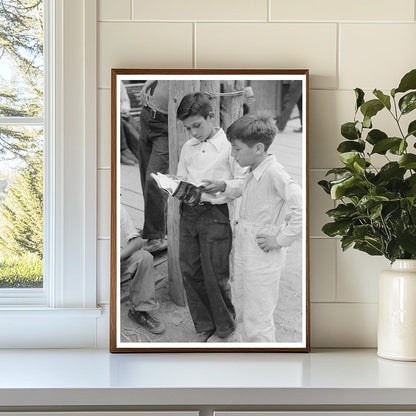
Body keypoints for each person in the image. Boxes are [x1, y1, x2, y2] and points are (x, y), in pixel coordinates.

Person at [204, 111, 302, 342]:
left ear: (258, 148)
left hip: (263, 252)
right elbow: (243, 186)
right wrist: (223, 185)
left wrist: (279, 240)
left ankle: (263, 359)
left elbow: (302, 208)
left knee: (259, 312)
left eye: (236, 149)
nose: (232, 154)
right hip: (246, 247)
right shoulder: (254, 169)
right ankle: (246, 348)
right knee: (244, 302)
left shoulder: (275, 173)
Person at [176, 92, 245, 343]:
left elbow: (242, 182)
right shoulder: (188, 147)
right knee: (190, 269)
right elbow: (182, 175)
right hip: (189, 212)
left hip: (215, 215)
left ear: (211, 116)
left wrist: (222, 186)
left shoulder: (229, 146)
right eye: (188, 128)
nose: (193, 132)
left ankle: (225, 326)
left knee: (215, 273)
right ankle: (204, 323)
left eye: (197, 125)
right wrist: (178, 188)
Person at [120, 205, 165, 334]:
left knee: (144, 257)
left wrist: (116, 256)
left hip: (116, 260)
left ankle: (139, 311)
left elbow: (137, 242)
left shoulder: (117, 209)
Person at [139, 80, 170, 253]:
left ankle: (157, 236)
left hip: (167, 123)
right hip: (148, 115)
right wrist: (147, 83)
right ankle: (152, 229)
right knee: (145, 174)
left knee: (154, 179)